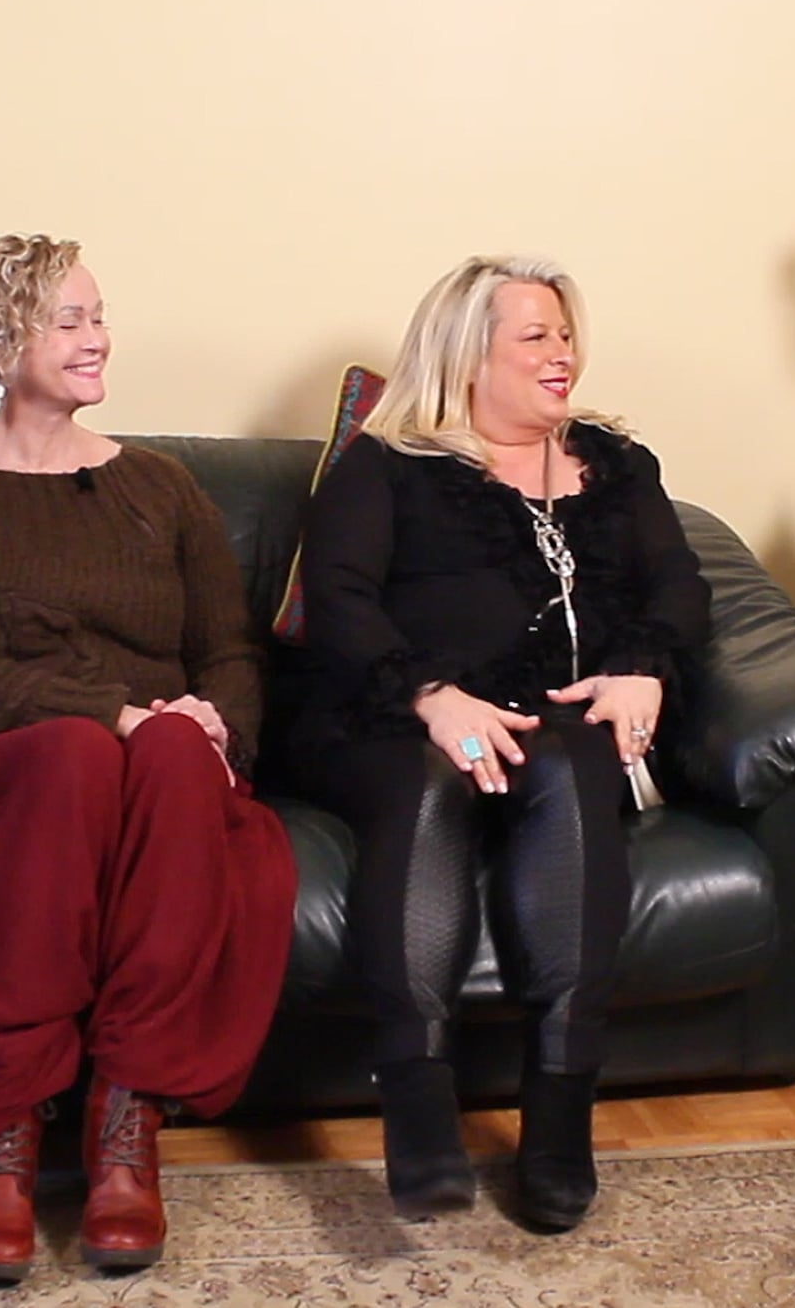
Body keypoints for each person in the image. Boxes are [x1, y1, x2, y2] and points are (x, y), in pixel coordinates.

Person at [0, 234, 296, 1282]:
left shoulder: (161, 486)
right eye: (69, 321)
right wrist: (114, 713)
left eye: (99, 317)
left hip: (157, 756)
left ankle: (126, 1120)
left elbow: (228, 652)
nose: (97, 338)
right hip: (7, 755)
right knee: (72, 755)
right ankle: (1, 1132)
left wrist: (211, 731)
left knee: (177, 757)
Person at [289, 256, 712, 1231]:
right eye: (535, 337)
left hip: (559, 721)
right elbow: (340, 602)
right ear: (468, 357)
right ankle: (418, 1107)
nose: (562, 354)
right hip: (398, 717)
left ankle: (559, 1114)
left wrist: (643, 668)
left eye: (565, 334)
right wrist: (433, 697)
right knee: (434, 779)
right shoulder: (388, 464)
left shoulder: (617, 464)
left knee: (573, 766)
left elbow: (679, 586)